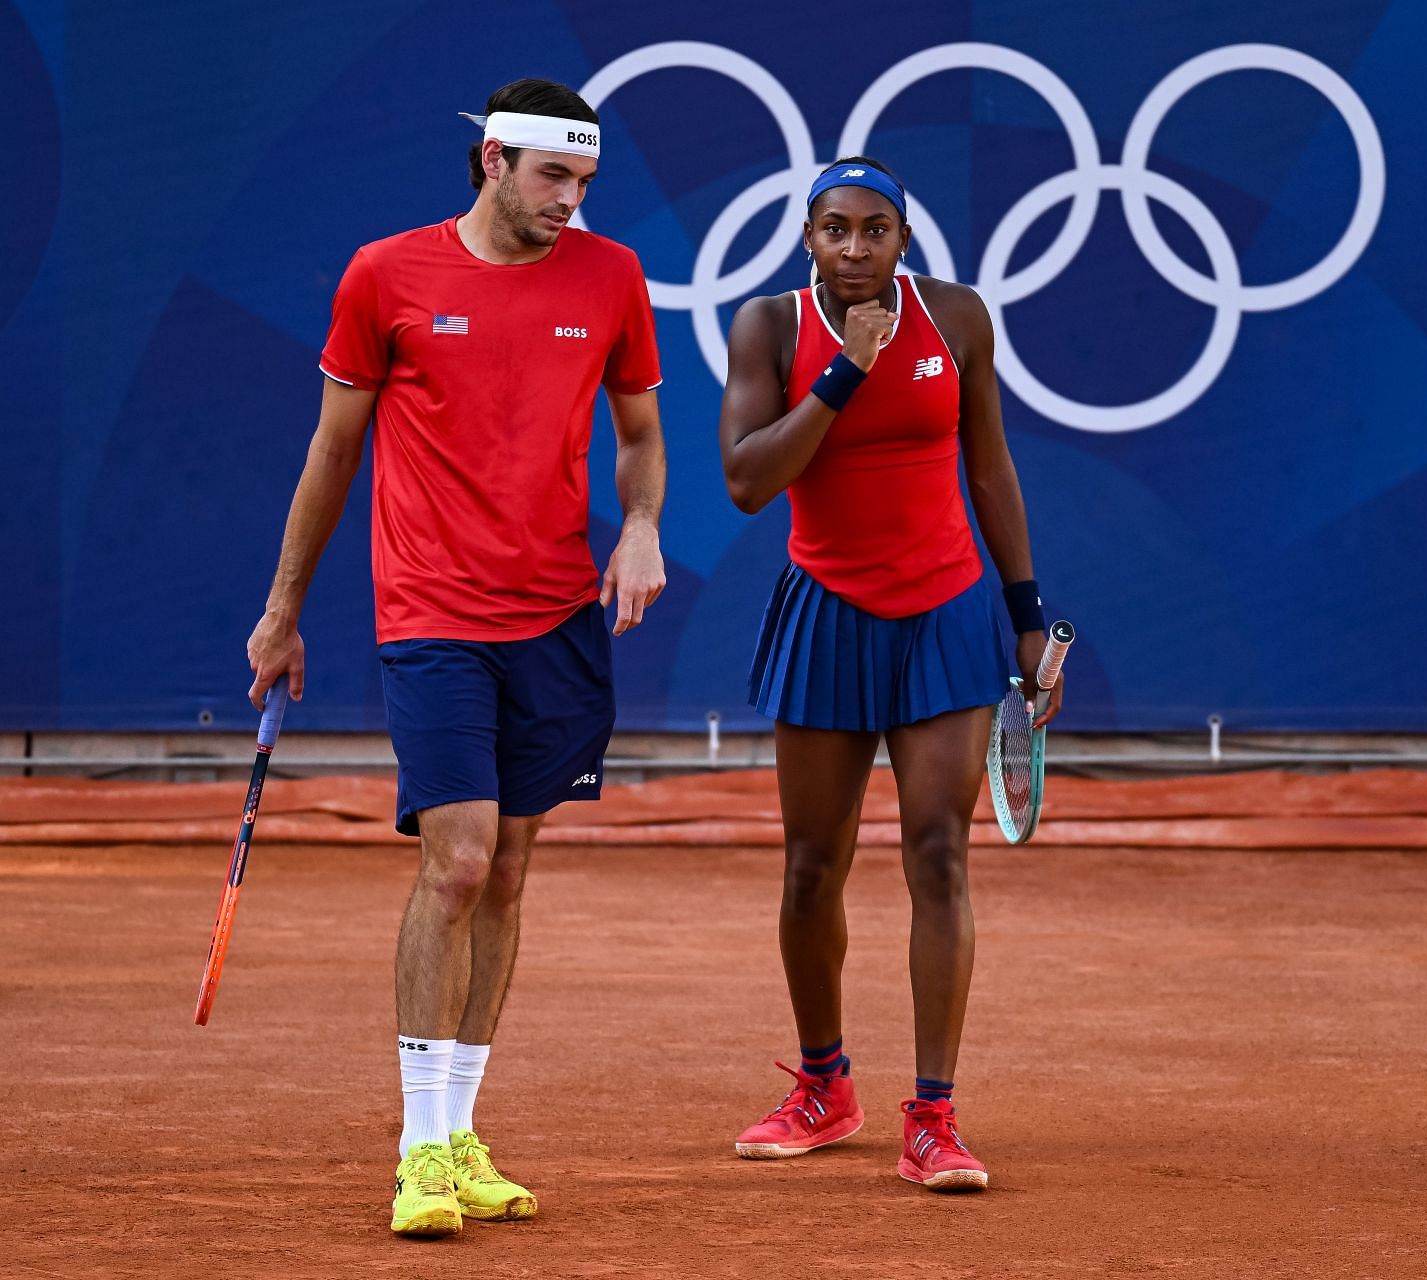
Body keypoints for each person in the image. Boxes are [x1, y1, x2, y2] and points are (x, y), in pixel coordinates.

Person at [243, 78, 666, 1237]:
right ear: (491, 159)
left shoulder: (612, 277)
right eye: (551, 178)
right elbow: (333, 454)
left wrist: (639, 525)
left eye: (585, 183)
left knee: (515, 867)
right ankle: (419, 1145)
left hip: (556, 617)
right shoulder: (386, 275)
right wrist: (282, 613)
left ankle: (464, 1130)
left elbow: (639, 435)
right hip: (431, 611)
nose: (570, 202)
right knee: (464, 860)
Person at [717, 157, 1061, 1193]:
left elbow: (989, 466)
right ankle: (825, 1085)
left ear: (903, 240)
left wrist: (1026, 618)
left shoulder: (958, 318)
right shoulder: (768, 330)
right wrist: (843, 373)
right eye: (836, 229)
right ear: (807, 237)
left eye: (876, 229)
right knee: (811, 865)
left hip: (947, 613)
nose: (856, 247)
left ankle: (933, 1115)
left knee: (937, 852)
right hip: (826, 612)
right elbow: (746, 480)